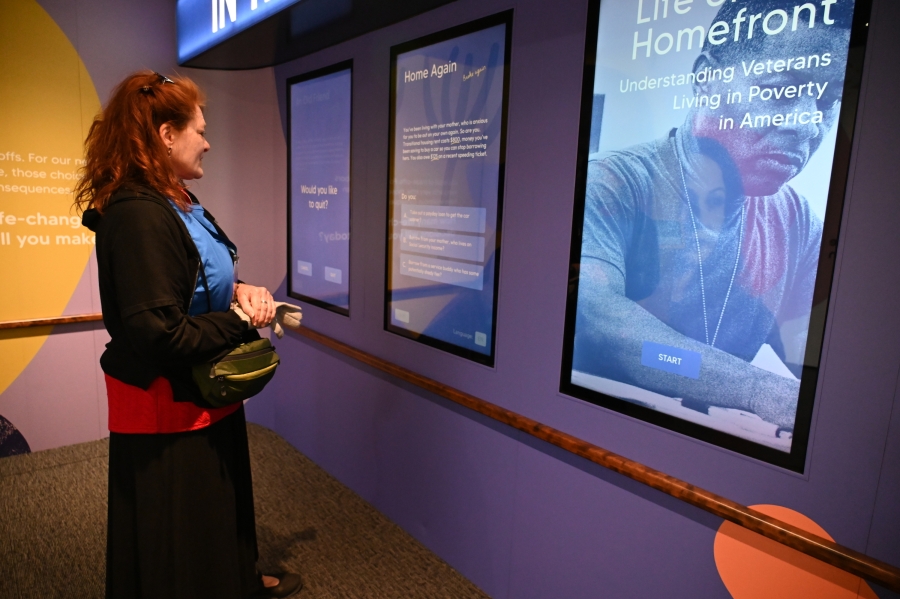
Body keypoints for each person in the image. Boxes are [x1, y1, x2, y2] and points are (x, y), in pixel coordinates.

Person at [573, 0, 854, 430]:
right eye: (781, 89)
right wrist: (756, 390)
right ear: (706, 77)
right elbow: (600, 322)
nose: (807, 124)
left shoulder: (798, 224)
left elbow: (815, 357)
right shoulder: (613, 182)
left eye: (828, 100)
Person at [75, 71, 302, 599]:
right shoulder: (138, 215)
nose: (207, 142)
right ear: (166, 135)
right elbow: (159, 334)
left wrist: (240, 289)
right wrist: (242, 320)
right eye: (199, 130)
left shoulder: (175, 199)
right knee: (183, 527)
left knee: (217, 508)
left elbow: (194, 278)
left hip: (204, 390)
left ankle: (236, 578)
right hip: (169, 408)